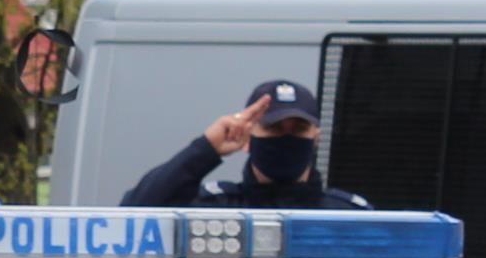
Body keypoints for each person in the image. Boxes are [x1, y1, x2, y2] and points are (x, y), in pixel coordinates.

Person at [123, 76, 368, 213]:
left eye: (299, 128)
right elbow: (131, 218)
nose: (286, 137)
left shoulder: (349, 217)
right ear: (247, 138)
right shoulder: (215, 210)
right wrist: (205, 148)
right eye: (274, 128)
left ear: (316, 137)